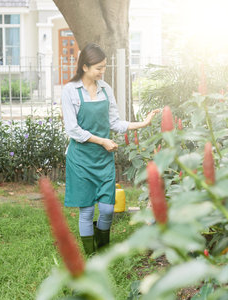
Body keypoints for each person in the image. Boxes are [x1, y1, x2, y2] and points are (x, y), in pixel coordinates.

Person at [61, 43, 159, 256]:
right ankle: (91, 255)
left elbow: (114, 122)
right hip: (81, 159)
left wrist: (142, 123)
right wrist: (102, 141)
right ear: (85, 67)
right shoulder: (70, 91)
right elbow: (73, 129)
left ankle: (102, 250)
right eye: (98, 67)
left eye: (104, 67)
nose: (102, 71)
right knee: (86, 210)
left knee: (107, 209)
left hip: (103, 158)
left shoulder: (105, 89)